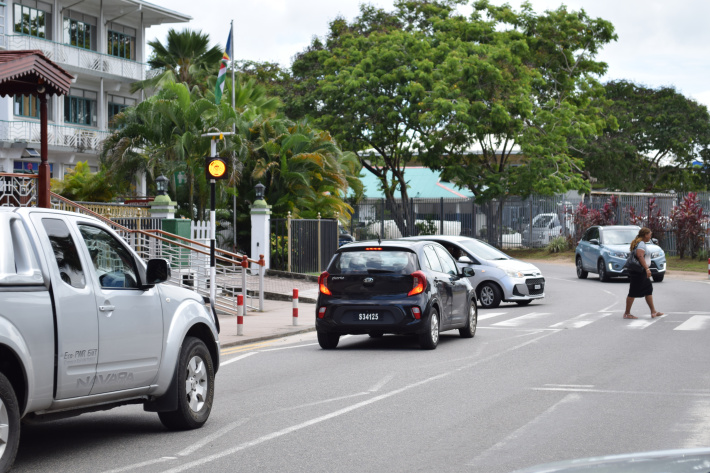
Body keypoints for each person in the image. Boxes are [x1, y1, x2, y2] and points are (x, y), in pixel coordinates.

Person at [623, 227, 664, 319]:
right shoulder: (641, 243)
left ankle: (653, 311)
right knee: (633, 292)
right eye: (649, 234)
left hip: (638, 271)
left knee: (648, 289)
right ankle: (627, 313)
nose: (650, 236)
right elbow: (640, 256)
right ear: (645, 235)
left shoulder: (640, 242)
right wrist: (647, 269)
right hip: (639, 271)